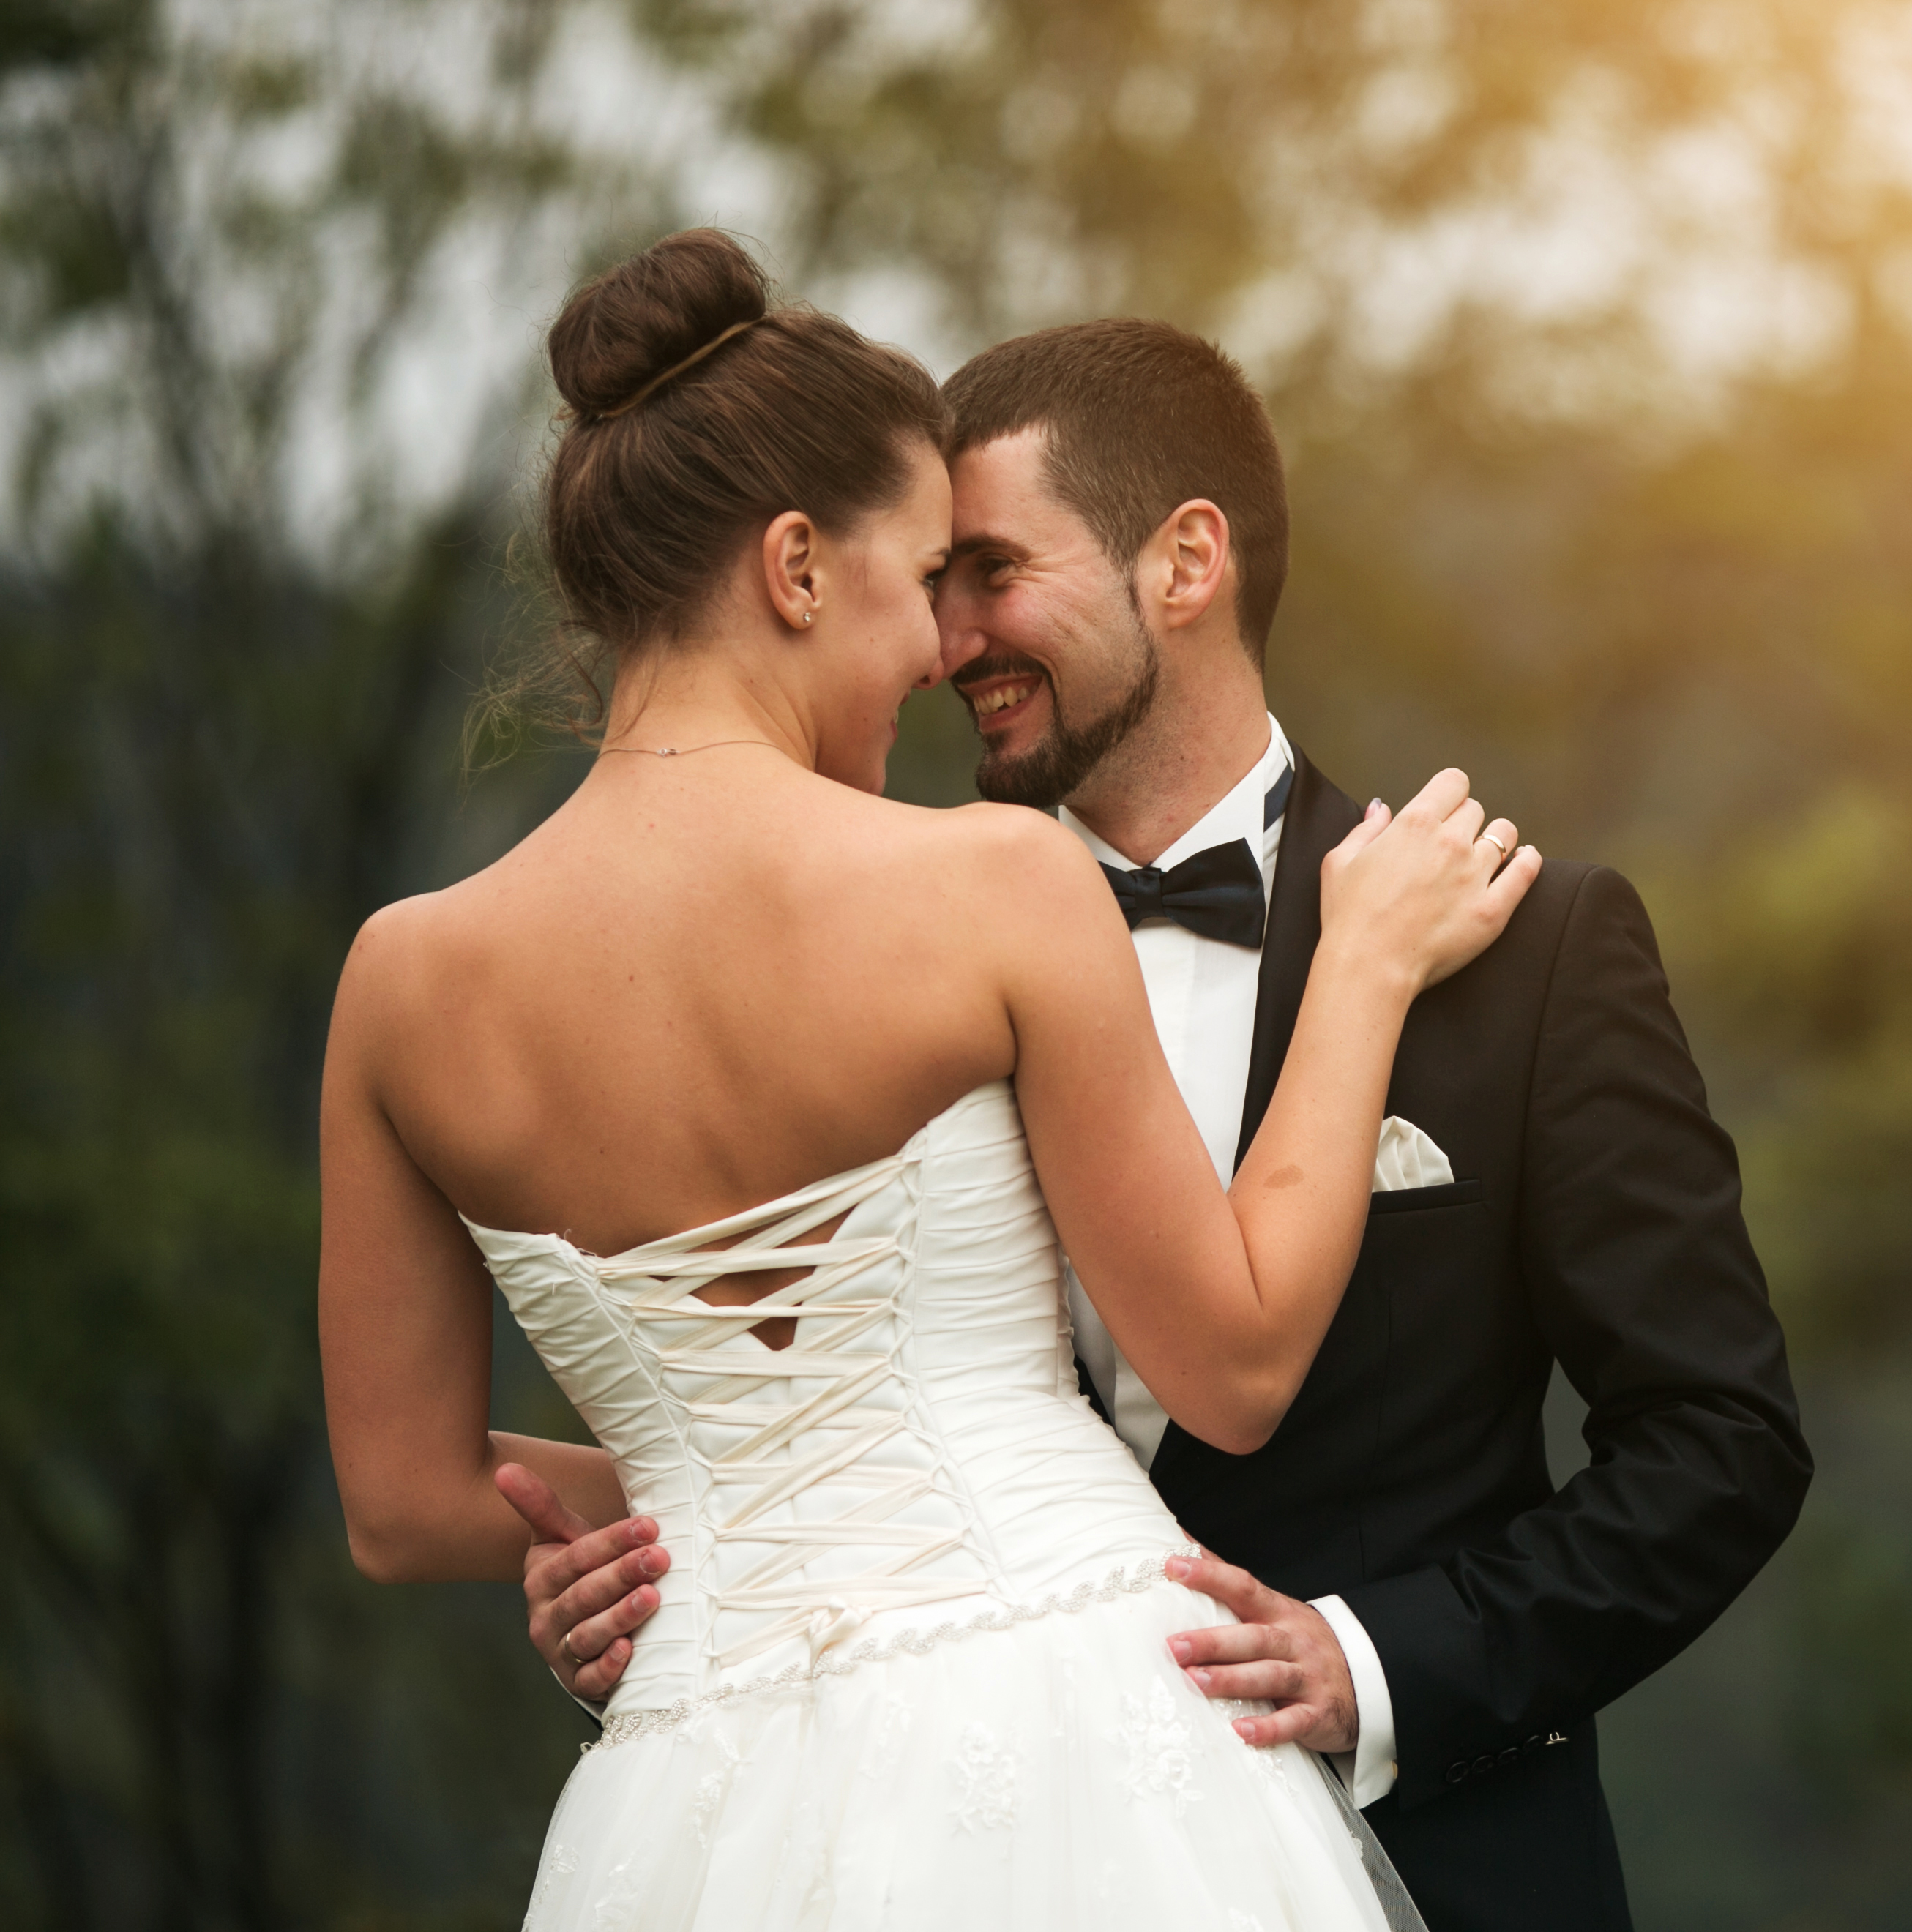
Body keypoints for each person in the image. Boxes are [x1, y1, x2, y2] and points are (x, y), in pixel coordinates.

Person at [509, 315, 1815, 1931]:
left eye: (990, 573)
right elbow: (806, 1407)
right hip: (963, 1867)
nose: (944, 641)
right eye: (929, 582)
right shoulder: (865, 965)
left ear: (1186, 562)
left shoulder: (1528, 951)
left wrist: (1381, 1663)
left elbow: (1718, 1446)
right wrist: (674, 1578)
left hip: (1446, 1863)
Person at [318, 228, 1544, 1931]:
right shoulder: (986, 883)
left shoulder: (402, 982)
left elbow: (401, 1508)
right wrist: (1363, 972)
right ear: (797, 569)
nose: (941, 651)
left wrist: (699, 1505)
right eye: (918, 580)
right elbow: (1235, 1362)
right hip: (1076, 1728)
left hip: (694, 1789)